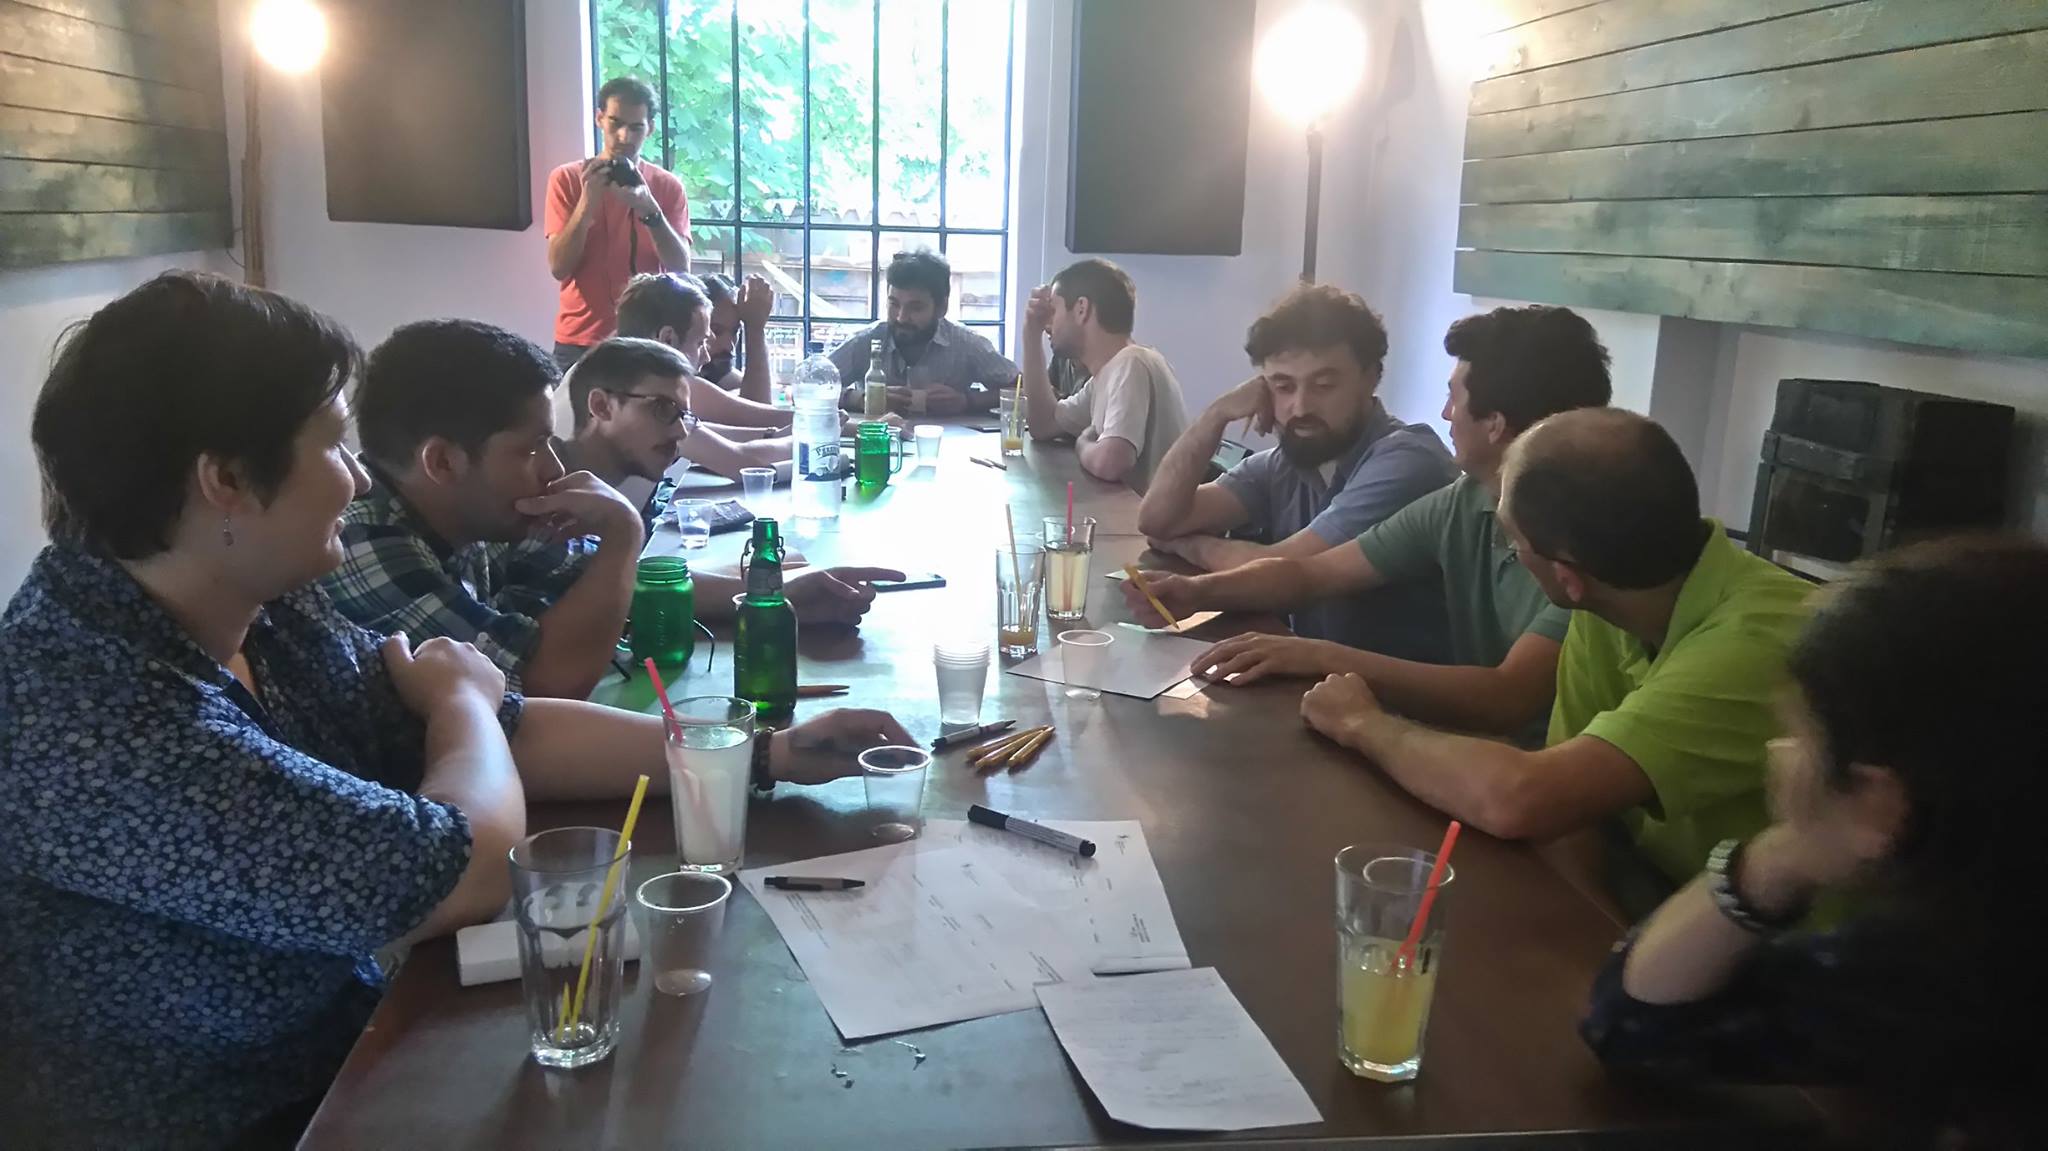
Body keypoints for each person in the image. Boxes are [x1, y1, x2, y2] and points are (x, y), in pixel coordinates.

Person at [0, 271, 912, 1150]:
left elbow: (524, 729)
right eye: (333, 446)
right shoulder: (91, 719)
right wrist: (463, 706)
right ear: (226, 480)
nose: (360, 479)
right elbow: (465, 866)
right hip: (258, 1120)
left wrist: (759, 751)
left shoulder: (263, 610)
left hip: (358, 1059)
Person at [1582, 535, 2046, 1150]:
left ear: (1880, 796)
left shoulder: (1934, 974)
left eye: (1800, 734)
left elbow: (1635, 1024)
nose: (1778, 752)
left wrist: (1789, 851)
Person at [1299, 408, 1813, 891]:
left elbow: (1524, 798)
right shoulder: (1607, 603)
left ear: (1566, 577)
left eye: (1513, 542)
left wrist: (1363, 723)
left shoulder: (1760, 638)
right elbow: (1574, 821)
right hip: (1660, 895)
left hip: (1775, 937)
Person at [324, 320, 900, 701]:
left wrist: (776, 594)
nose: (552, 467)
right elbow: (541, 682)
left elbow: (605, 585)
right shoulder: (366, 545)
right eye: (531, 448)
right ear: (443, 462)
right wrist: (623, 531)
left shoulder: (477, 511)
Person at [1126, 305, 1611, 746]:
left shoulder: (1584, 543)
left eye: (1453, 398)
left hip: (1525, 772)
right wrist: (1196, 593)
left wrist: (1319, 656)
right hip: (1454, 742)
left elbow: (1505, 698)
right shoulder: (1464, 500)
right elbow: (1311, 575)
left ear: (1495, 424)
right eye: (1283, 386)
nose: (1444, 414)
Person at [1137, 283, 1457, 660]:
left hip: (1391, 689)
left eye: (1324, 385)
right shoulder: (1286, 461)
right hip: (1311, 674)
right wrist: (1216, 415)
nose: (1300, 407)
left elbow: (1287, 571)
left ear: (1371, 377)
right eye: (1283, 386)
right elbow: (1157, 519)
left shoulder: (1408, 460)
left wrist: (1189, 545)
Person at [546, 76, 691, 374]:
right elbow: (559, 267)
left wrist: (650, 210)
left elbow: (680, 268)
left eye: (636, 127)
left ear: (650, 129)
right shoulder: (567, 179)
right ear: (599, 118)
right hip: (579, 339)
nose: (624, 137)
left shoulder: (667, 187)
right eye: (615, 123)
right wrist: (587, 203)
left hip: (647, 338)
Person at [1020, 258, 1190, 493]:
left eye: (1054, 310)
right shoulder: (1105, 376)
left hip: (1140, 517)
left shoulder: (1132, 363)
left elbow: (1111, 462)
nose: (1047, 324)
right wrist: (1030, 334)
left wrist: (1083, 444)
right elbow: (1043, 424)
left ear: (1082, 309)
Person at [828, 248, 1019, 416]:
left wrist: (967, 401)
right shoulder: (865, 341)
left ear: (941, 308)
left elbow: (1022, 389)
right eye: (894, 304)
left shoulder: (966, 343)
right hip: (878, 440)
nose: (901, 317)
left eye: (915, 308)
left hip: (950, 441)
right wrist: (862, 399)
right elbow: (812, 385)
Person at [698, 271, 775, 403]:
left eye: (735, 331)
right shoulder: (679, 380)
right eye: (716, 331)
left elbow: (757, 402)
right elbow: (756, 408)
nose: (729, 346)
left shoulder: (719, 374)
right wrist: (755, 328)